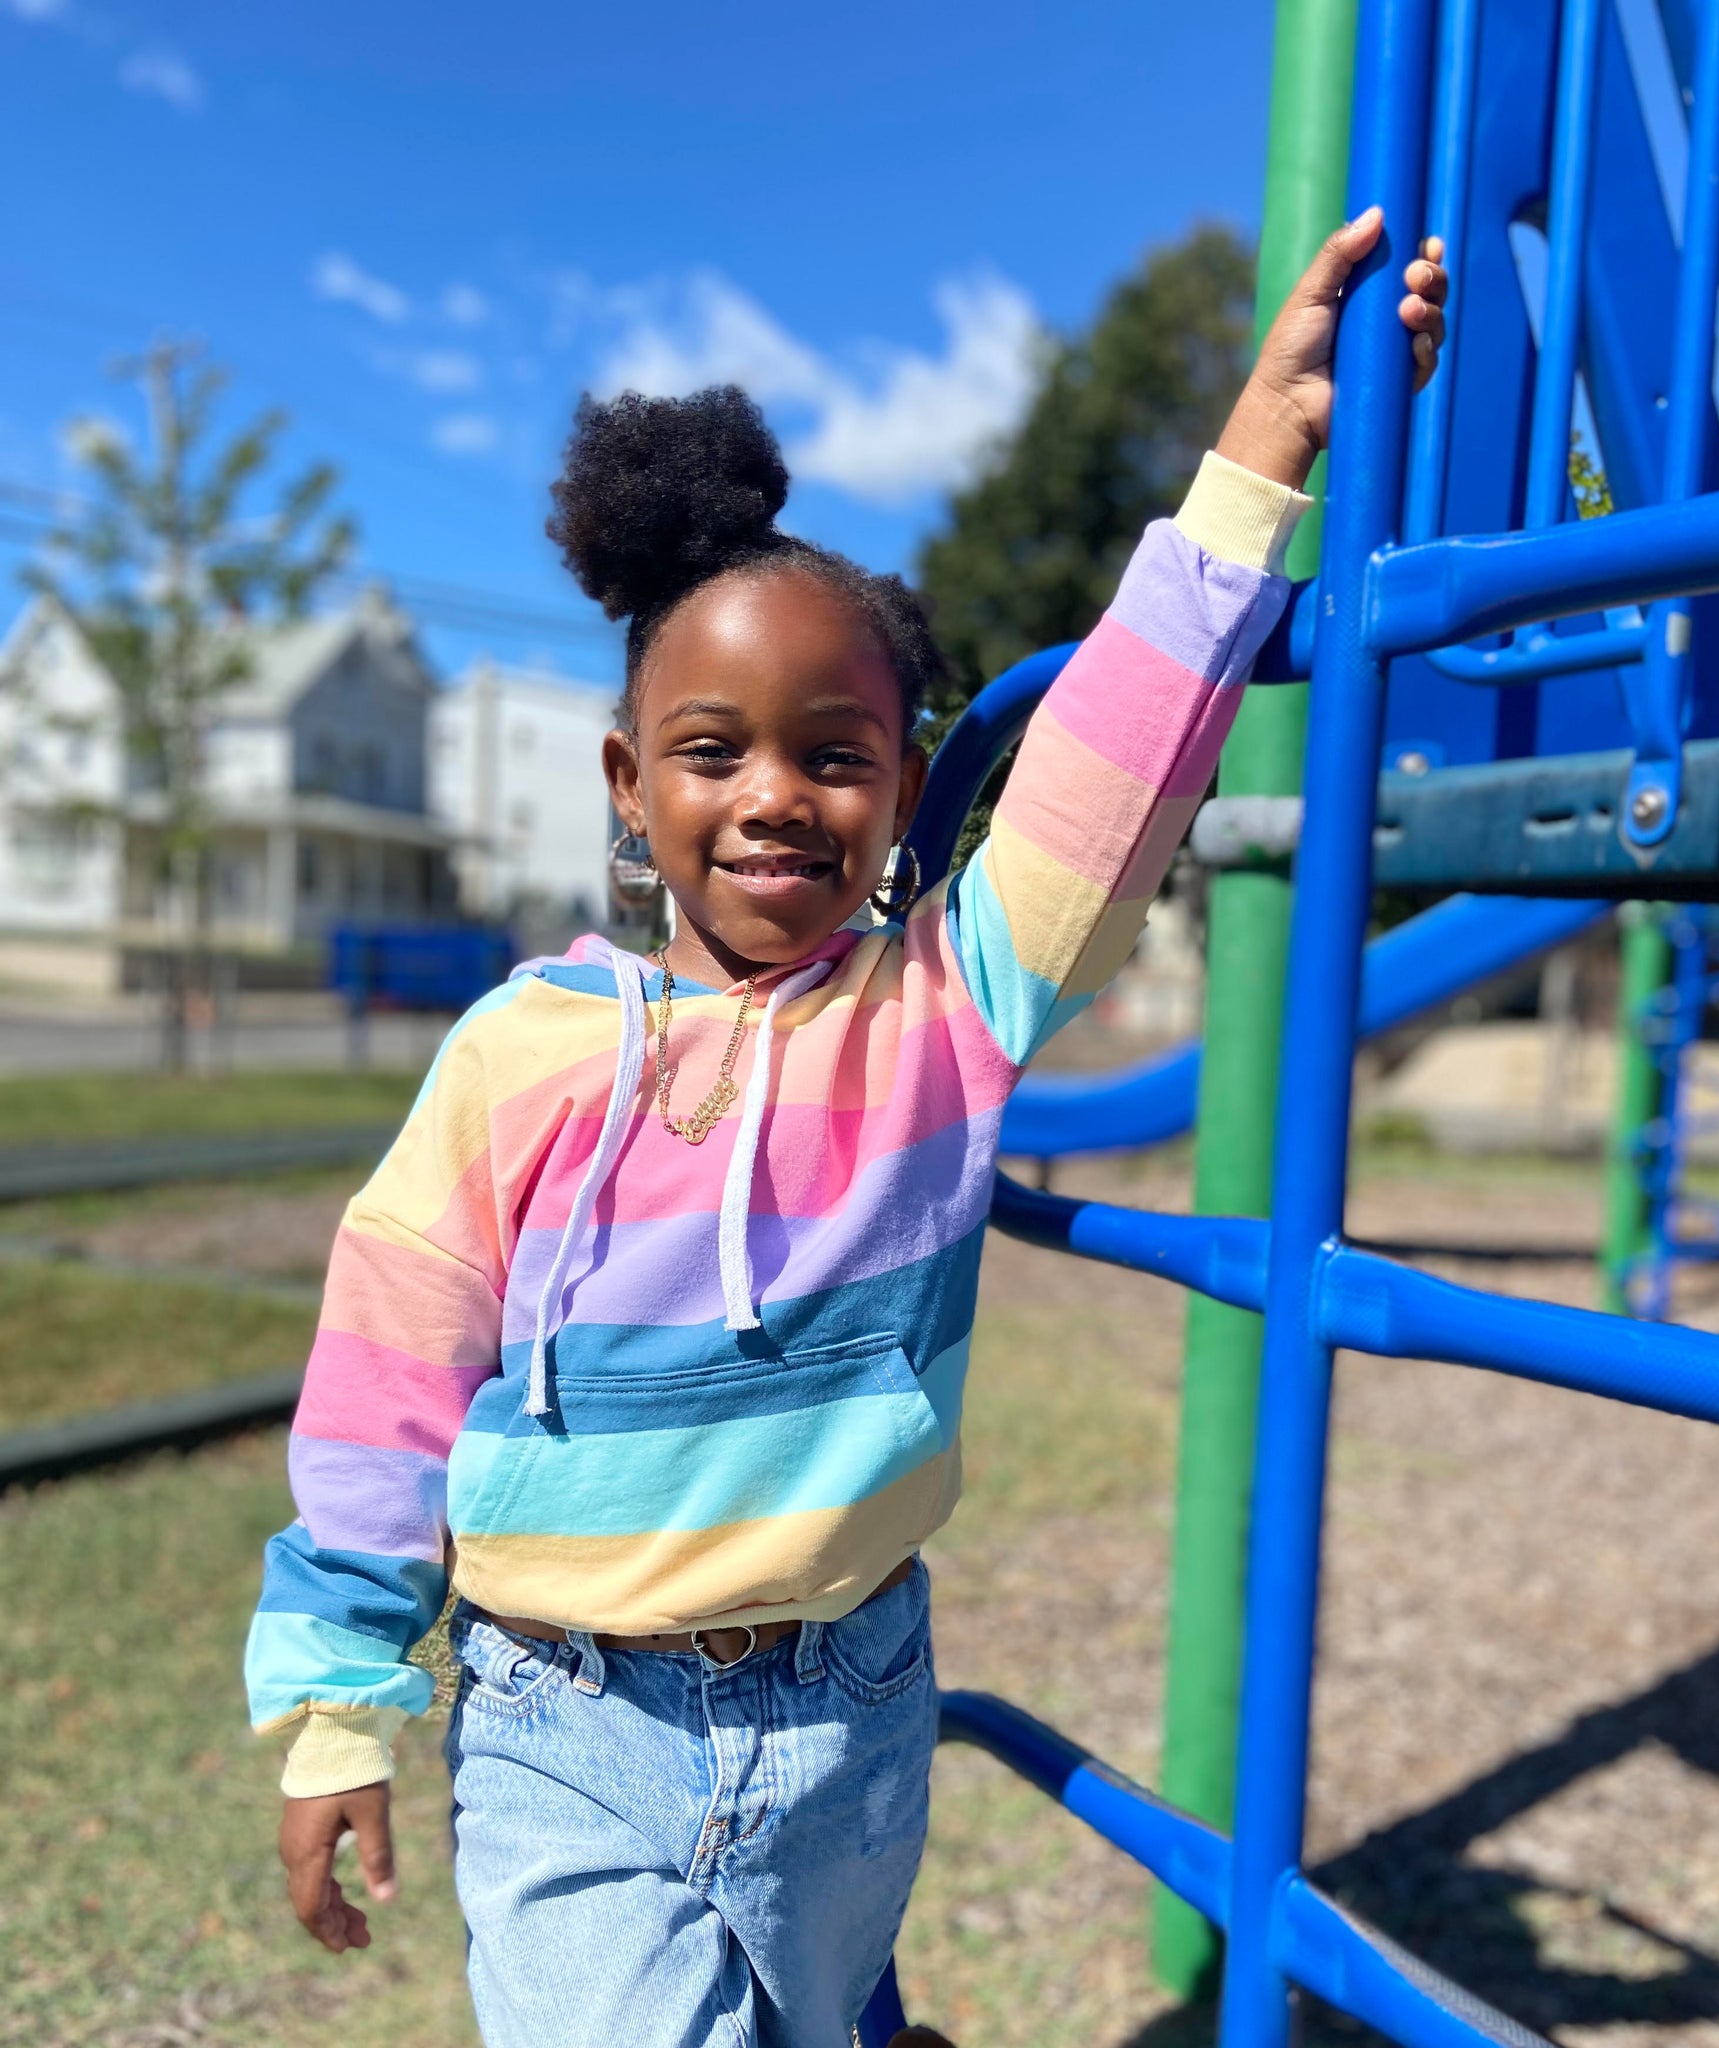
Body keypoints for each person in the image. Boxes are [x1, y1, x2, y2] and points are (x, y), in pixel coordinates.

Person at [247, 208, 1446, 2048]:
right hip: (565, 1720)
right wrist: (340, 1703)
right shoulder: (516, 1054)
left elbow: (1116, 757)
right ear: (627, 787)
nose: (777, 796)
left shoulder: (944, 1015)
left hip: (849, 1706)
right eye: (714, 749)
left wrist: (1263, 446)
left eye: (838, 752)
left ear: (903, 788)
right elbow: (385, 1382)